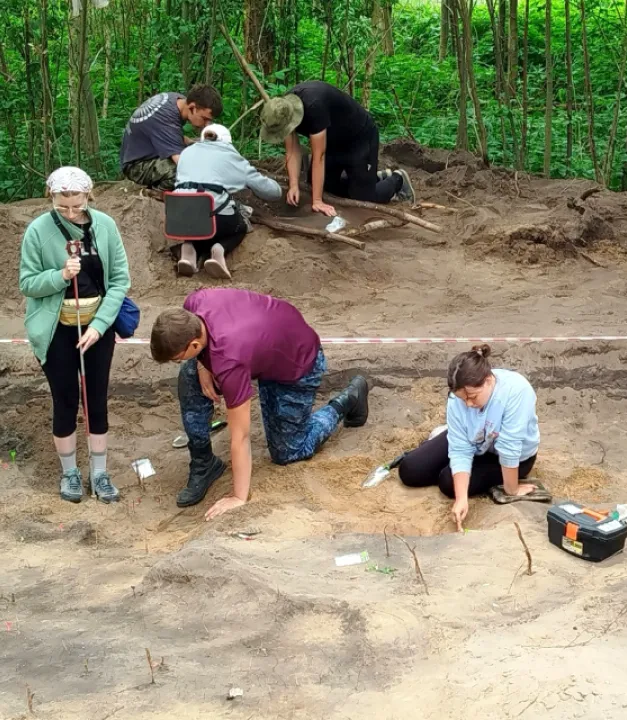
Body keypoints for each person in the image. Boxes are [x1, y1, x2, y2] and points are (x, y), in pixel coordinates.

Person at [149, 288, 370, 519]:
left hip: (296, 362)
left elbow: (241, 436)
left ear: (194, 344)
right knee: (189, 374)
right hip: (261, 343)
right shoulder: (193, 304)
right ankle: (204, 463)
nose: (178, 361)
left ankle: (348, 400)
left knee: (289, 450)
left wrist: (238, 497)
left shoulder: (228, 360)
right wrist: (202, 365)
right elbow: (210, 346)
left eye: (177, 358)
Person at [19, 167, 131, 503]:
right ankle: (70, 472)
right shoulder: (37, 231)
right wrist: (59, 275)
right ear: (51, 198)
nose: (70, 212)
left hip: (97, 327)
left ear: (88, 197)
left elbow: (120, 281)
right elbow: (27, 284)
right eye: (62, 205)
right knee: (65, 399)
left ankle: (100, 472)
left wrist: (99, 327)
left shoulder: (106, 227)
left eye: (77, 205)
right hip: (56, 330)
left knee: (95, 398)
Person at [398, 345, 542, 531]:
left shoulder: (517, 391)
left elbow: (509, 448)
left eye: (472, 397)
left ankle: (456, 470)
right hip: (474, 442)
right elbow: (460, 449)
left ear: (489, 381)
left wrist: (512, 490)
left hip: (510, 456)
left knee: (447, 482)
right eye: (462, 399)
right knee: (410, 470)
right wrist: (462, 499)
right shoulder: (457, 397)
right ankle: (447, 456)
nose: (468, 404)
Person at [259, 81, 415, 217]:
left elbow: (319, 155)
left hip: (359, 138)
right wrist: (293, 185)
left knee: (362, 197)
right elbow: (292, 151)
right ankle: (374, 178)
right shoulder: (282, 112)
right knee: (323, 187)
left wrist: (317, 201)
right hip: (333, 141)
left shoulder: (313, 107)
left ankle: (397, 179)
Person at [172, 123, 283, 278]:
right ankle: (219, 250)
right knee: (239, 226)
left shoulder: (186, 153)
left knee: (196, 217)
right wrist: (279, 188)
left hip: (177, 220)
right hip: (213, 219)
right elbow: (271, 192)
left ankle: (188, 249)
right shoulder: (231, 156)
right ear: (227, 141)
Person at [120, 85, 223, 190]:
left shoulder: (177, 101)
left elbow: (171, 134)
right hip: (136, 165)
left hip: (149, 150)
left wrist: (194, 144)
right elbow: (184, 165)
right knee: (180, 174)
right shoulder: (165, 119)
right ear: (192, 107)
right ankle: (156, 192)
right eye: (204, 119)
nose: (206, 125)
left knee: (198, 148)